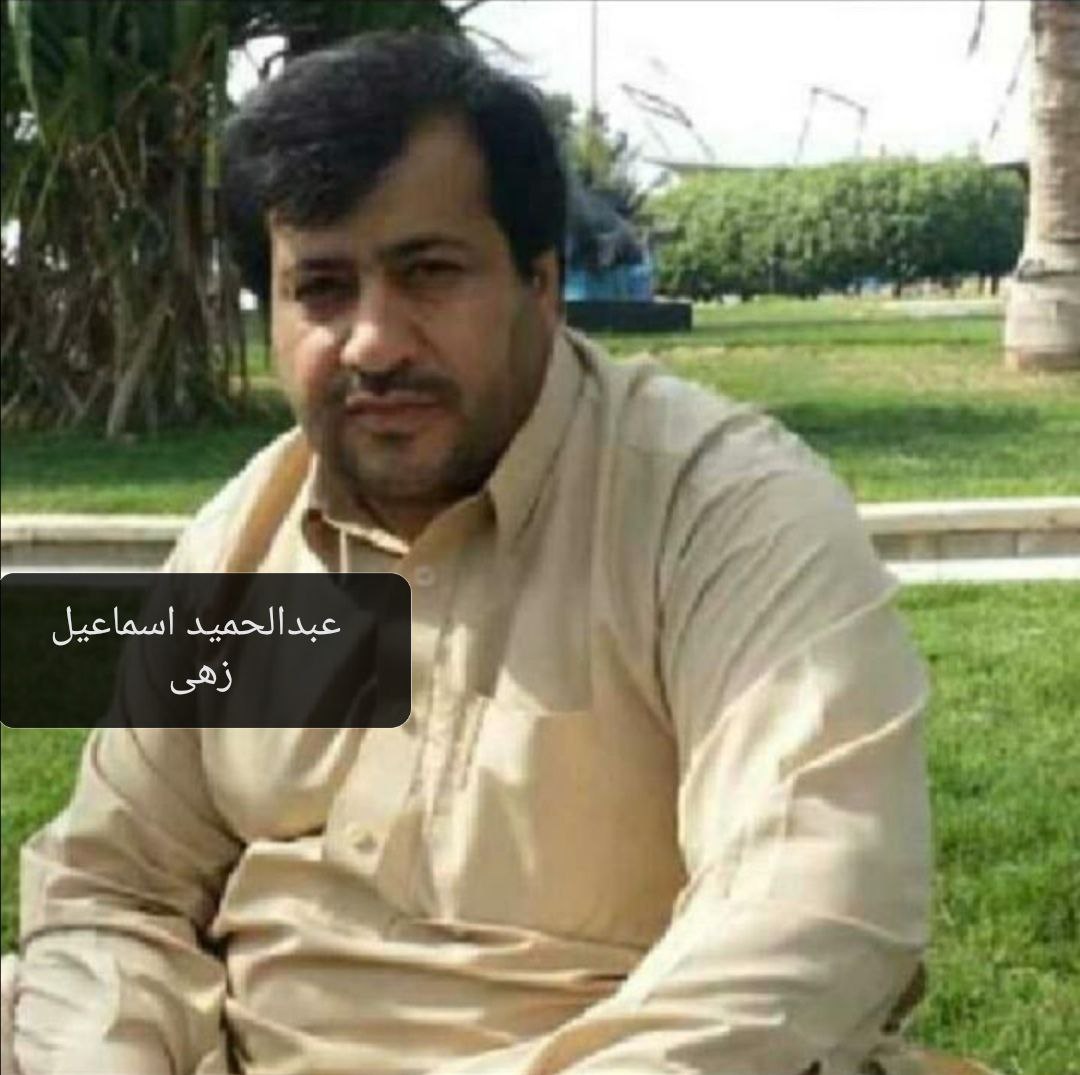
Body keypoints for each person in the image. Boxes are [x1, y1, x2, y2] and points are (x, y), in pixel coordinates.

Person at [3, 32, 943, 1075]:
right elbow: (116, 885)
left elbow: (813, 904)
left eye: (429, 273)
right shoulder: (249, 539)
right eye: (322, 287)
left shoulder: (716, 509)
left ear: (541, 283)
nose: (373, 341)